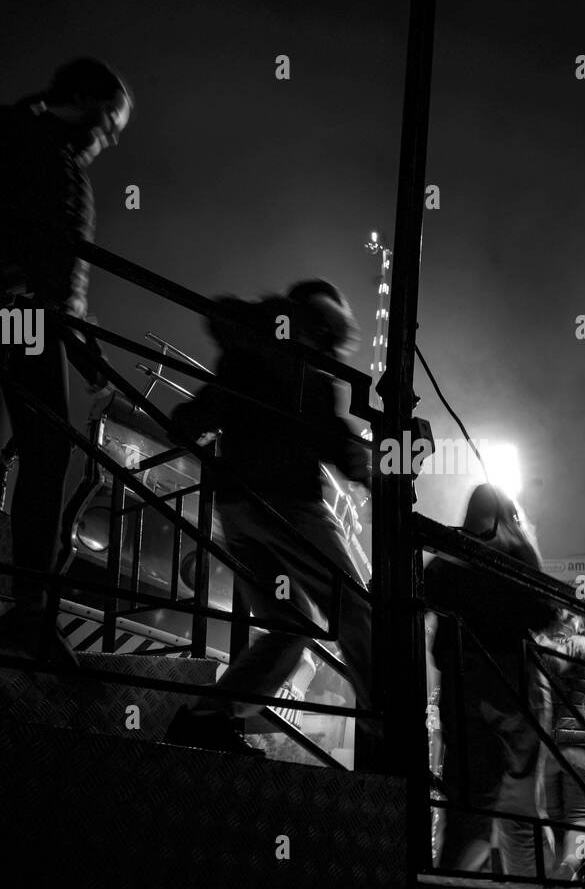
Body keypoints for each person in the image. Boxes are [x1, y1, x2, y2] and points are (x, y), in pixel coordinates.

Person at [164, 280, 373, 756]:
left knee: (291, 624)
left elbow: (214, 403)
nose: (332, 350)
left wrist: (187, 421)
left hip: (238, 509)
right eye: (332, 339)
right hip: (289, 505)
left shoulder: (247, 347)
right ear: (322, 325)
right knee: (354, 608)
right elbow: (326, 434)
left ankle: (206, 717)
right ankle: (387, 722)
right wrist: (365, 468)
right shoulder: (305, 363)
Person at [0, 58, 133, 665]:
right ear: (80, 100)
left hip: (21, 309)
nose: (107, 139)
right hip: (20, 311)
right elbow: (61, 277)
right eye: (107, 122)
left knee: (40, 448)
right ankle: (29, 612)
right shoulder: (54, 161)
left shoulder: (19, 131)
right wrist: (94, 366)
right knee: (47, 449)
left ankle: (29, 610)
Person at [424, 484, 558, 877]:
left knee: (469, 807)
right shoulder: (517, 555)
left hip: (461, 692)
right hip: (512, 690)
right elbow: (545, 613)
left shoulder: (448, 555)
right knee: (520, 811)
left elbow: (426, 600)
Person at [536, 610, 585, 889]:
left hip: (547, 747)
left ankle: (555, 875)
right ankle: (571, 865)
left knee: (553, 817)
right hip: (579, 747)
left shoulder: (538, 648)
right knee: (584, 817)